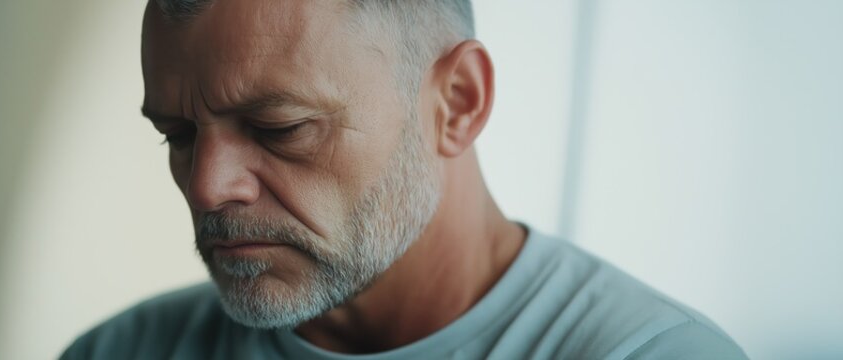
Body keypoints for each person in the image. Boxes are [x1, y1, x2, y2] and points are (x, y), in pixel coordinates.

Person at [62, 0, 747, 358]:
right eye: (178, 136)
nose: (208, 187)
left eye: (279, 128)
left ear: (456, 103)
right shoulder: (119, 351)